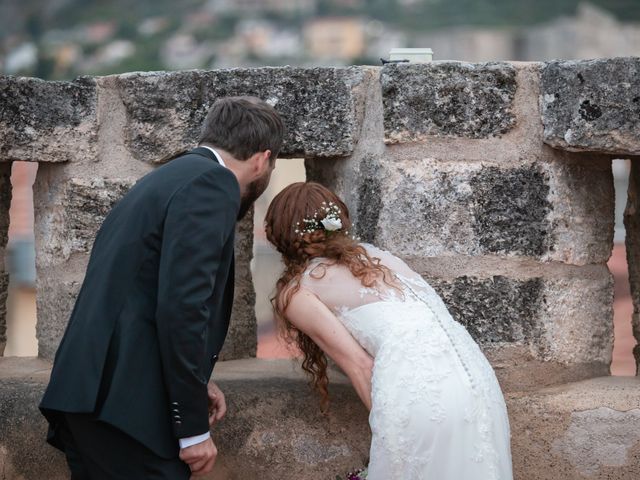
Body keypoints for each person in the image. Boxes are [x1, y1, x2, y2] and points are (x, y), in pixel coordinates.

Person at [40, 96, 285, 479]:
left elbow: (139, 296)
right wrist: (192, 429)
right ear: (262, 159)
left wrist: (192, 384)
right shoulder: (213, 184)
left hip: (90, 395)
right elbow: (182, 309)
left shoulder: (168, 177)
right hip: (126, 410)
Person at [265, 182, 513, 480]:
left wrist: (391, 436)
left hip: (419, 396)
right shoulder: (380, 258)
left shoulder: (298, 291)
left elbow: (360, 366)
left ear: (279, 235)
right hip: (478, 384)